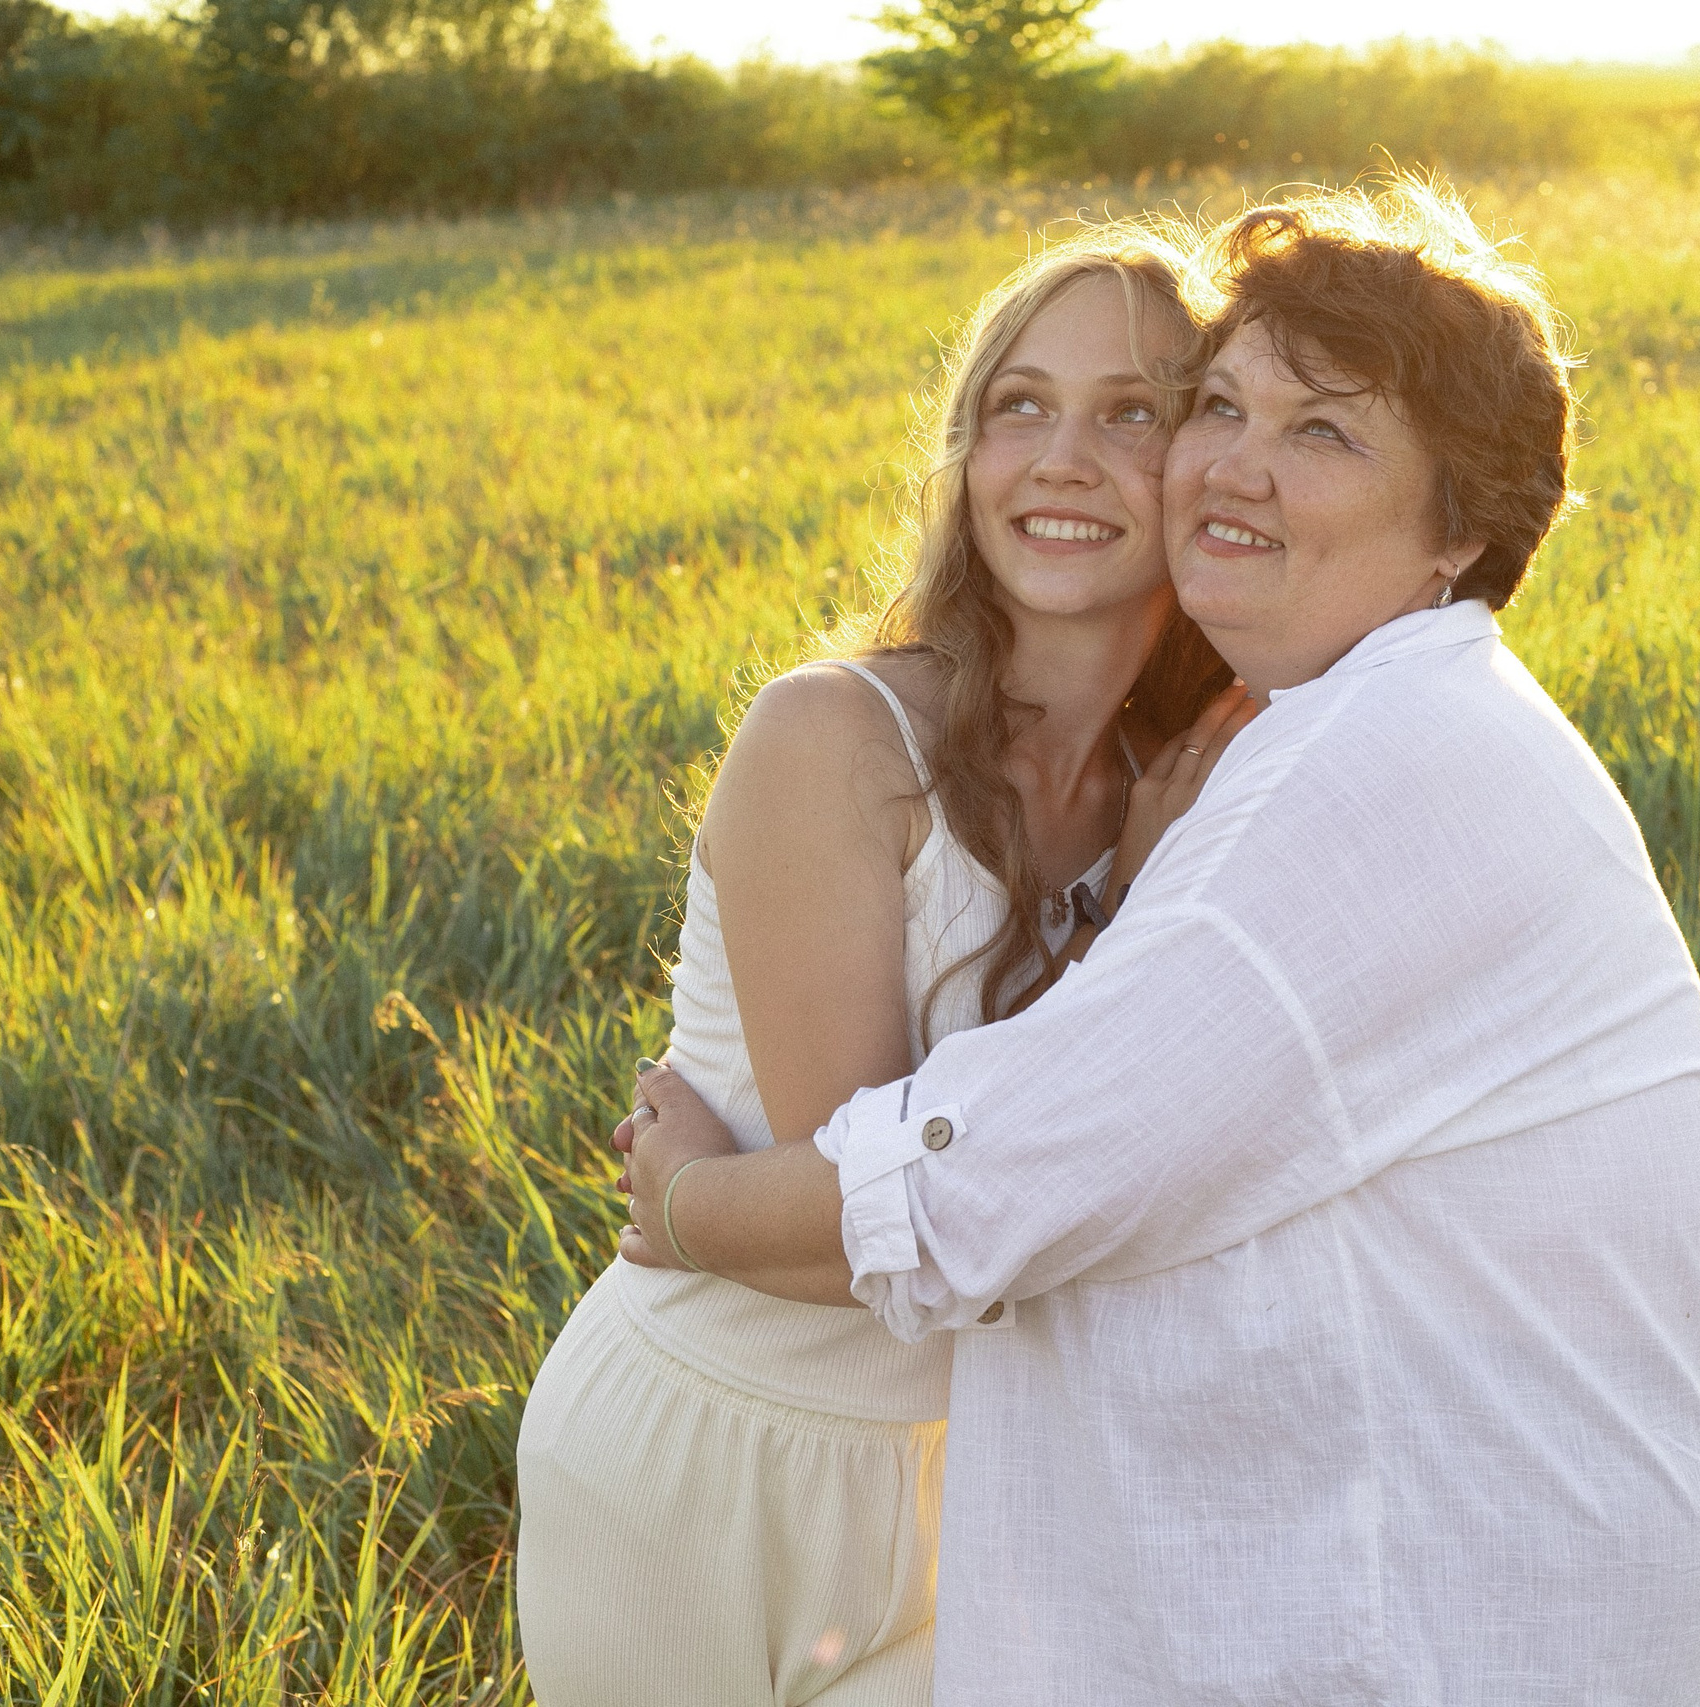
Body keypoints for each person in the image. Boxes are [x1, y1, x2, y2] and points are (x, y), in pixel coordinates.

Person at [619, 181, 1700, 1705]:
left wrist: (684, 1203)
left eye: (1322, 432)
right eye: (1221, 405)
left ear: (1459, 529)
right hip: (766, 1484)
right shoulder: (1317, 733)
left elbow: (980, 1184)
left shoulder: (1370, 772)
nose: (1235, 466)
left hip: (1414, 1629)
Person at [515, 226, 1247, 1706]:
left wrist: (1130, 898)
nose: (1059, 457)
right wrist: (720, 1211)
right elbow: (884, 1216)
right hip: (698, 1451)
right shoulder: (834, 737)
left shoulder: (1184, 797)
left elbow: (1065, 1190)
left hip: (968, 1482)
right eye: (1017, 406)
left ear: (1212, 467)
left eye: (1133, 412)